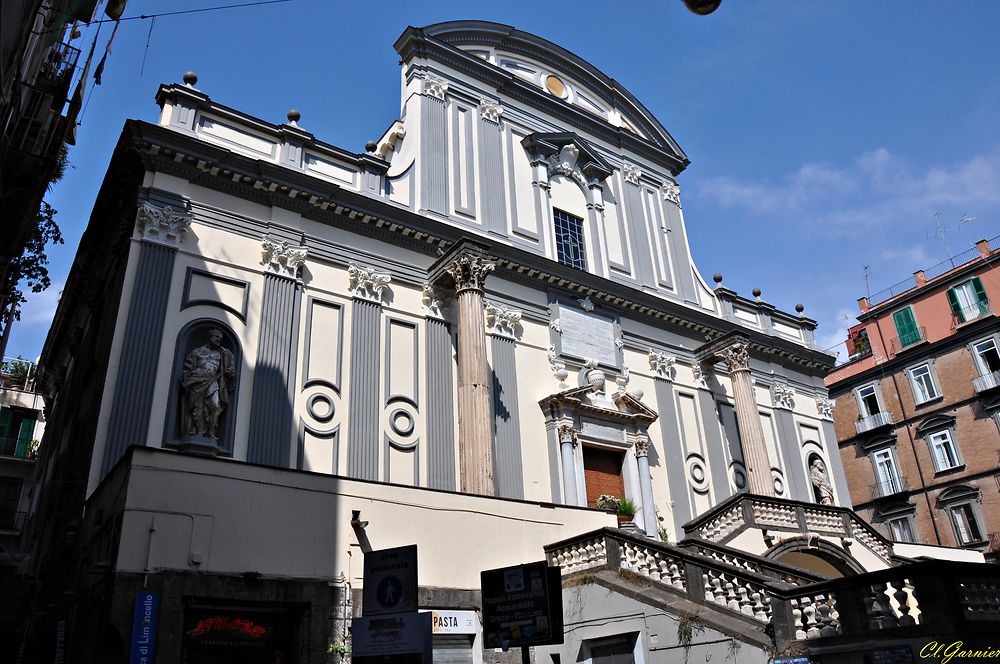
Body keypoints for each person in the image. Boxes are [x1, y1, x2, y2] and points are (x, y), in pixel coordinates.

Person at [181, 329, 235, 439]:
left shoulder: (222, 354)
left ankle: (211, 433)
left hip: (213, 381)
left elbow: (228, 368)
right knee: (198, 409)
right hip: (197, 382)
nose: (219, 340)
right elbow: (187, 369)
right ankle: (199, 432)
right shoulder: (197, 352)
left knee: (215, 406)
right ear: (210, 337)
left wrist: (230, 373)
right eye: (216, 337)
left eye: (220, 339)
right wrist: (192, 376)